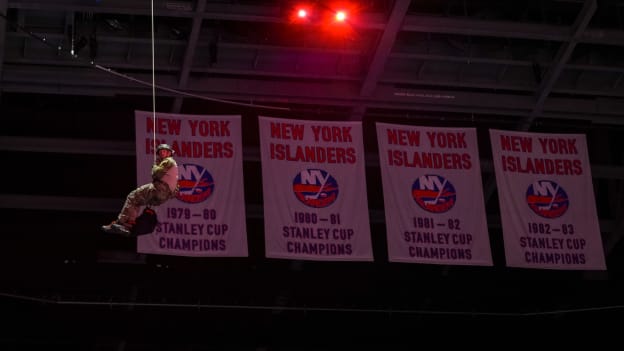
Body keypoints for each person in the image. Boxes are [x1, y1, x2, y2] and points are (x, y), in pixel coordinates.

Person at [101, 143, 179, 236]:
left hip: (159, 190)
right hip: (163, 196)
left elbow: (156, 173)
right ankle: (126, 224)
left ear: (170, 153)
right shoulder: (173, 167)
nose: (163, 154)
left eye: (166, 152)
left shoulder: (168, 161)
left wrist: (155, 166)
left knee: (132, 196)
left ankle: (123, 223)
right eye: (161, 152)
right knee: (136, 201)